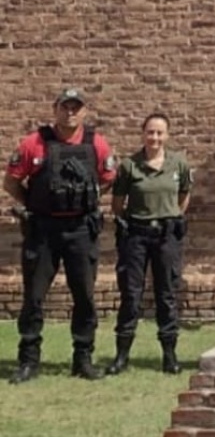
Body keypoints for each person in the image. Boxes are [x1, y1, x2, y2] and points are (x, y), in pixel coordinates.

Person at [3, 87, 117, 383]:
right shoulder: (34, 143)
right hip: (43, 230)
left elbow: (107, 180)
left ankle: (83, 359)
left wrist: (86, 200)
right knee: (34, 298)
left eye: (76, 107)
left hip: (81, 229)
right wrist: (34, 203)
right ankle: (28, 361)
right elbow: (12, 181)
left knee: (85, 296)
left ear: (84, 111)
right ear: (55, 109)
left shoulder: (97, 145)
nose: (70, 112)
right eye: (65, 106)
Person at [106, 113, 193, 376]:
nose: (154, 138)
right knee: (131, 295)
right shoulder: (129, 166)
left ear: (167, 135)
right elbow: (118, 204)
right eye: (150, 132)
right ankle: (121, 356)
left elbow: (183, 197)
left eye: (159, 133)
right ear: (143, 134)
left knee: (166, 294)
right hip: (136, 235)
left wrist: (169, 215)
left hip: (167, 235)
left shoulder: (179, 164)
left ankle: (169, 355)